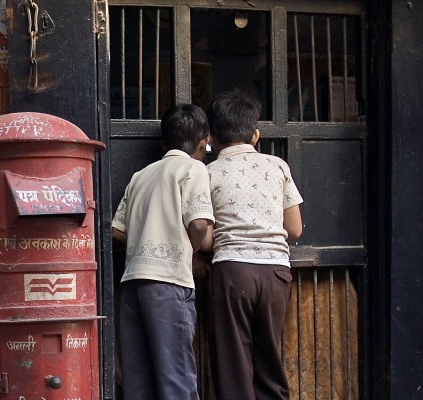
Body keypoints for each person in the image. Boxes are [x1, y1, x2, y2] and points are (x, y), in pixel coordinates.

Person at [203, 89, 303, 400]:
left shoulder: (207, 172)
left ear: (211, 137)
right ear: (256, 135)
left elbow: (204, 233)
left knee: (233, 364)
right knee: (269, 359)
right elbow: (295, 229)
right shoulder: (277, 166)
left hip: (232, 273)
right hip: (275, 274)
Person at [112, 103, 215, 400]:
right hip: (168, 283)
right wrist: (191, 250)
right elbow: (198, 223)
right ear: (202, 143)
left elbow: (117, 230)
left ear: (164, 142)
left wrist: (148, 235)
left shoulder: (141, 175)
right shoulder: (193, 168)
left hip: (132, 282)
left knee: (137, 381)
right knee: (176, 378)